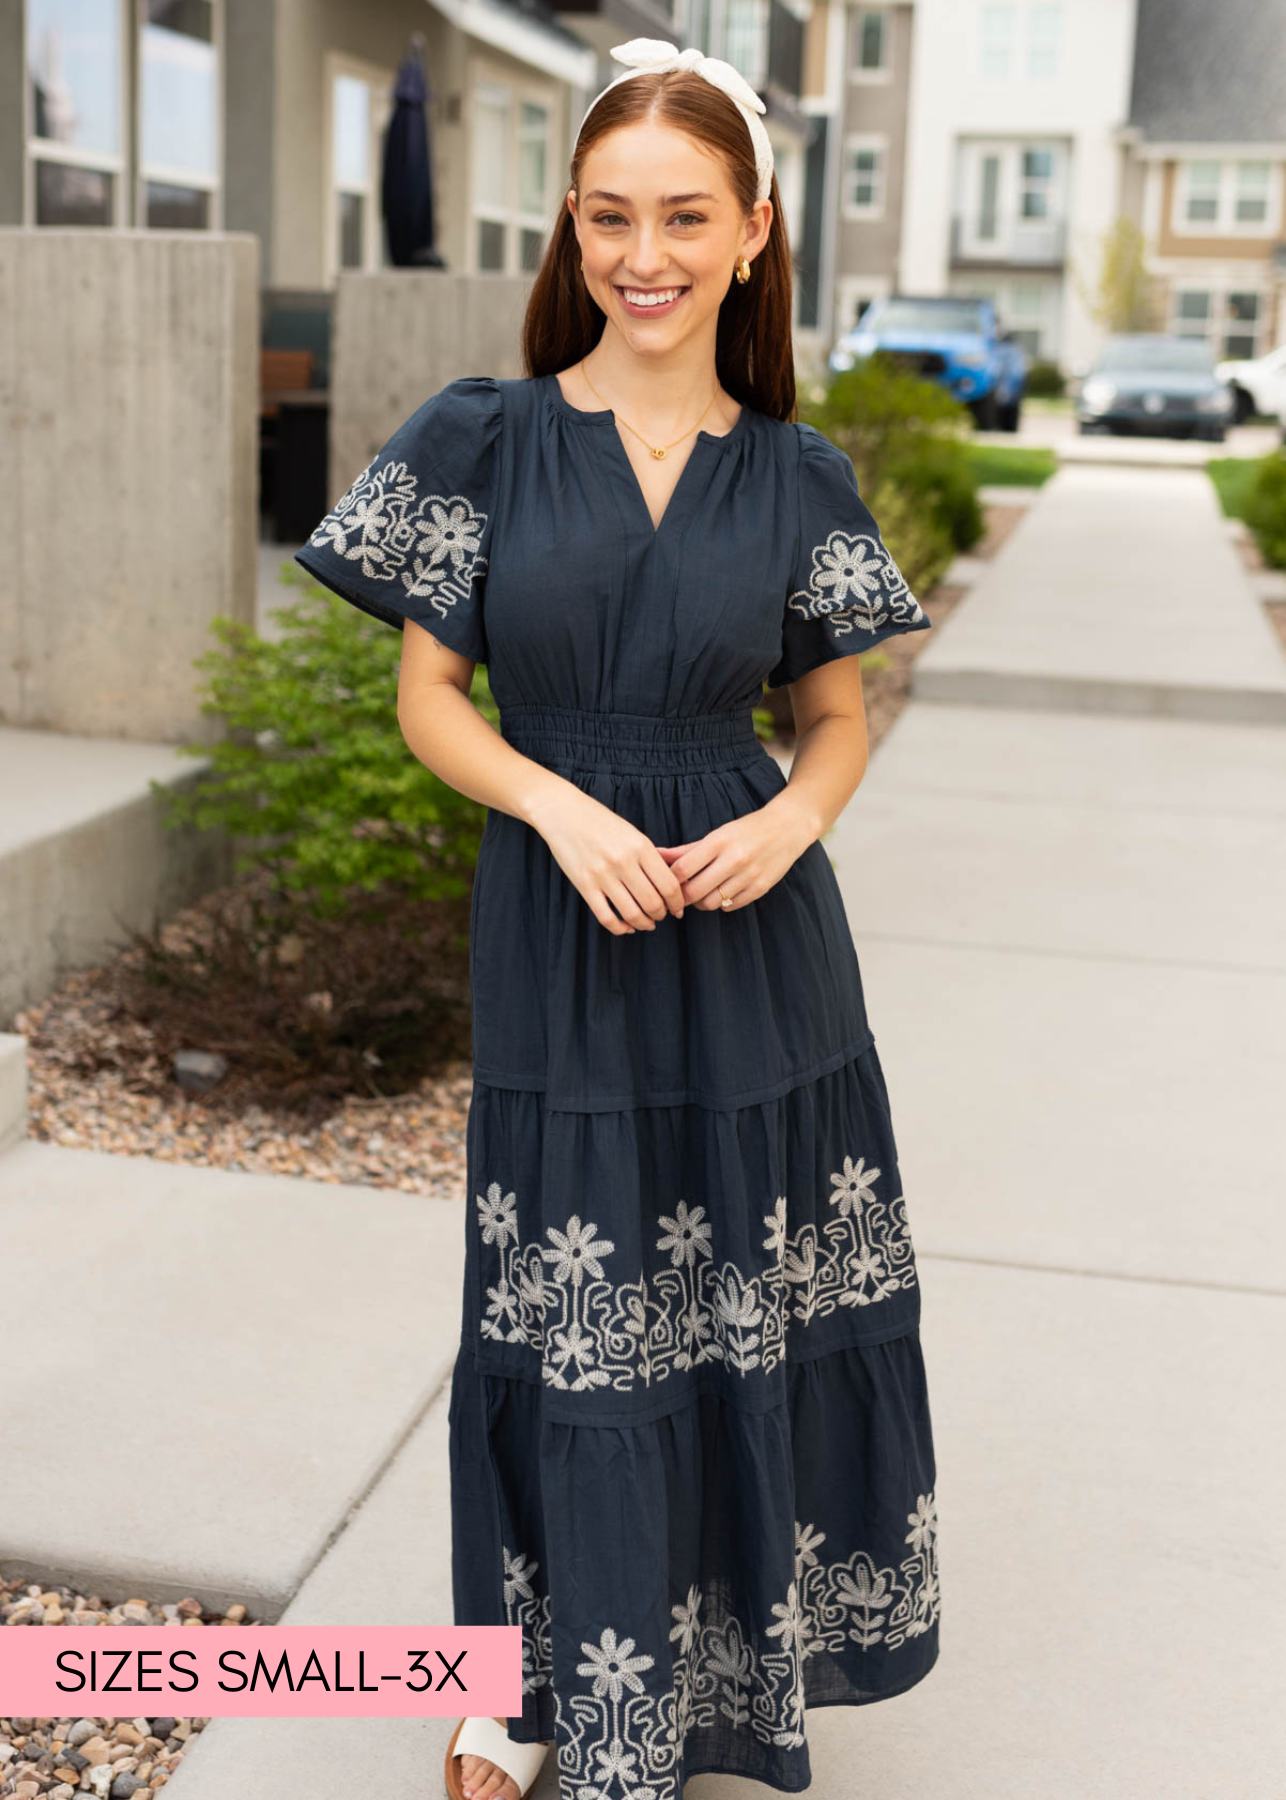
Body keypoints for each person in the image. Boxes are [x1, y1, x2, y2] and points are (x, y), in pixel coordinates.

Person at [294, 36, 941, 1800]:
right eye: (605, 217)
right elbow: (432, 700)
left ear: (750, 235)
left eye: (681, 217)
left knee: (738, 1301)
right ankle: (519, 1691)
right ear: (569, 231)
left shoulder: (795, 473)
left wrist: (794, 824)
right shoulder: (482, 437)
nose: (640, 255)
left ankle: (719, 1679)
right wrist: (552, 800)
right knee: (561, 1299)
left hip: (752, 945)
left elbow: (832, 716)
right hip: (563, 917)